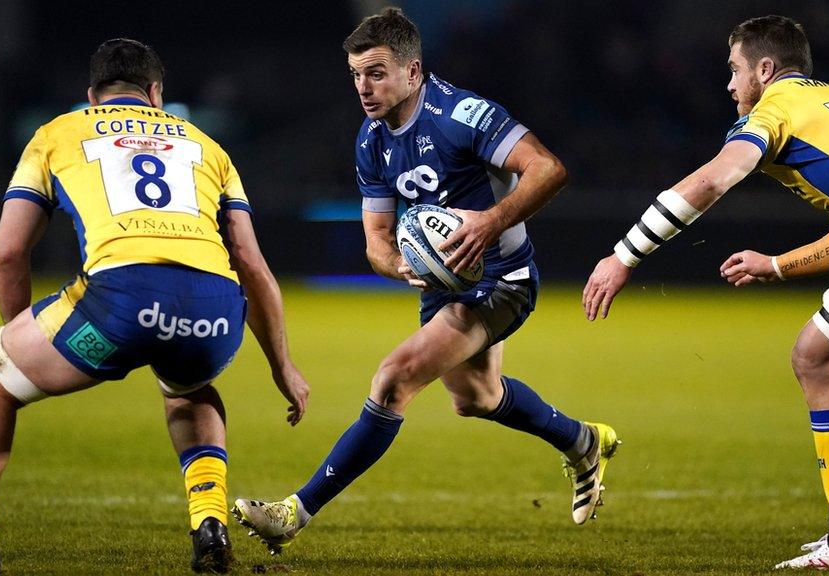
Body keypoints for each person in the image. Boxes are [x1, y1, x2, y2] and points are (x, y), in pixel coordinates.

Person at [583, 14, 829, 571]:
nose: (731, 84)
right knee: (818, 358)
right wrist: (777, 266)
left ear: (766, 70)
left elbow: (713, 180)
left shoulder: (778, 110)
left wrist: (624, 255)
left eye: (736, 70)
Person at [232, 7, 619, 554]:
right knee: (477, 398)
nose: (363, 87)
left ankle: (294, 512)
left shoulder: (463, 114)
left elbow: (549, 169)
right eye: (356, 75)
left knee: (394, 378)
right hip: (444, 287)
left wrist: (488, 224)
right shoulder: (370, 139)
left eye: (376, 72)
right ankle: (583, 441)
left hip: (502, 279)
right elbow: (377, 240)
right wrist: (401, 266)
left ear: (413, 72)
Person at [0, 38, 310, 575]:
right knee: (188, 388)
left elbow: (7, 254)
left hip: (120, 304)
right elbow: (253, 266)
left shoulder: (56, 133)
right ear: (156, 94)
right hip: (213, 314)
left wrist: (19, 336)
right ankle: (209, 526)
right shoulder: (207, 145)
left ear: (92, 97)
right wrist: (283, 367)